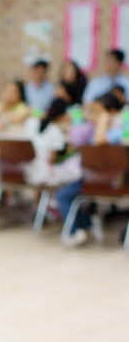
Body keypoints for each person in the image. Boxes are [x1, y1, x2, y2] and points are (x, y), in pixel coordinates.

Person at [56, 92, 124, 247]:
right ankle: (83, 225)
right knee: (63, 194)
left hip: (113, 182)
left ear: (111, 113)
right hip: (90, 179)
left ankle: (82, 227)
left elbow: (100, 143)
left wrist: (103, 122)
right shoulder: (92, 130)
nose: (93, 115)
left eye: (98, 111)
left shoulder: (117, 132)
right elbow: (75, 142)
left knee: (65, 195)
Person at [23, 98, 79, 186]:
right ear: (63, 115)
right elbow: (52, 159)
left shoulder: (31, 122)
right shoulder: (55, 131)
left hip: (25, 170)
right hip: (42, 174)